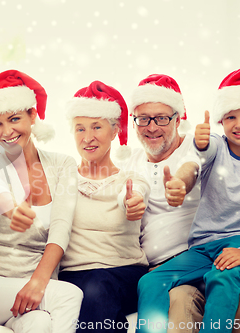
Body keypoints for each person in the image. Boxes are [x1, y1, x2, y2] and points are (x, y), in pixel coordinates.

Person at [135, 64, 240, 333]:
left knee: (222, 277)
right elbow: (195, 161)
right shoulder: (214, 144)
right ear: (220, 121)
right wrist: (180, 181)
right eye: (230, 117)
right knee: (150, 282)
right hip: (203, 246)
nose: (238, 124)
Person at [0, 69, 83, 333]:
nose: (6, 132)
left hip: (29, 291)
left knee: (40, 322)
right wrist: (11, 208)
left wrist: (37, 282)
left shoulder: (63, 164)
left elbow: (61, 227)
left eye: (14, 119)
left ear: (33, 115)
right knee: (70, 296)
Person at [58, 81, 150, 332]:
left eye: (97, 127)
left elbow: (133, 195)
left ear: (114, 131)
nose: (87, 137)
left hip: (125, 273)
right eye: (80, 129)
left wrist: (132, 202)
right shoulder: (61, 181)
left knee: (98, 287)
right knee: (91, 289)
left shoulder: (131, 179)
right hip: (73, 276)